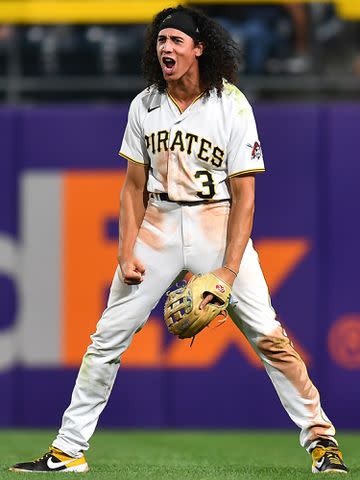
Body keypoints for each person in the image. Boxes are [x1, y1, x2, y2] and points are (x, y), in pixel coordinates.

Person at [10, 5, 348, 475]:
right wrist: (126, 250)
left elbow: (245, 195)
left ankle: (321, 441)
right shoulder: (145, 104)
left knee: (270, 338)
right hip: (158, 223)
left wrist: (228, 271)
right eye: (160, 41)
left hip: (217, 223)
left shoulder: (230, 103)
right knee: (106, 339)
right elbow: (131, 187)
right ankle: (69, 450)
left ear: (198, 49)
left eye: (175, 41)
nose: (166, 49)